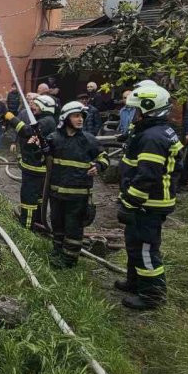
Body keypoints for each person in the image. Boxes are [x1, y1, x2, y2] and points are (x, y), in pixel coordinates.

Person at [116, 83, 184, 310]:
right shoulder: (156, 131)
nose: (134, 115)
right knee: (134, 244)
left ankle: (152, 296)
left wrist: (129, 202)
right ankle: (135, 283)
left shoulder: (152, 138)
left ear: (148, 110)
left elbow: (147, 176)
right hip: (148, 202)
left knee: (145, 249)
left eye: (136, 111)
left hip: (148, 203)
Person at [46, 101, 109, 268]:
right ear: (66, 118)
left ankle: (69, 260)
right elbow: (40, 156)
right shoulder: (54, 139)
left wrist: (99, 166)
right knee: (57, 224)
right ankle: (57, 251)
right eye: (76, 116)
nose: (80, 119)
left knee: (73, 228)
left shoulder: (88, 140)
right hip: (56, 193)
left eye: (81, 116)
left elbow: (104, 157)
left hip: (78, 195)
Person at [3, 95, 57, 230]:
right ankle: (38, 222)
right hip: (34, 167)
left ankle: (26, 228)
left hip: (35, 169)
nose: (33, 107)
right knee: (38, 198)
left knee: (28, 199)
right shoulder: (44, 120)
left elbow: (26, 131)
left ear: (44, 107)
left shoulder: (47, 121)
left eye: (36, 105)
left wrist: (11, 118)